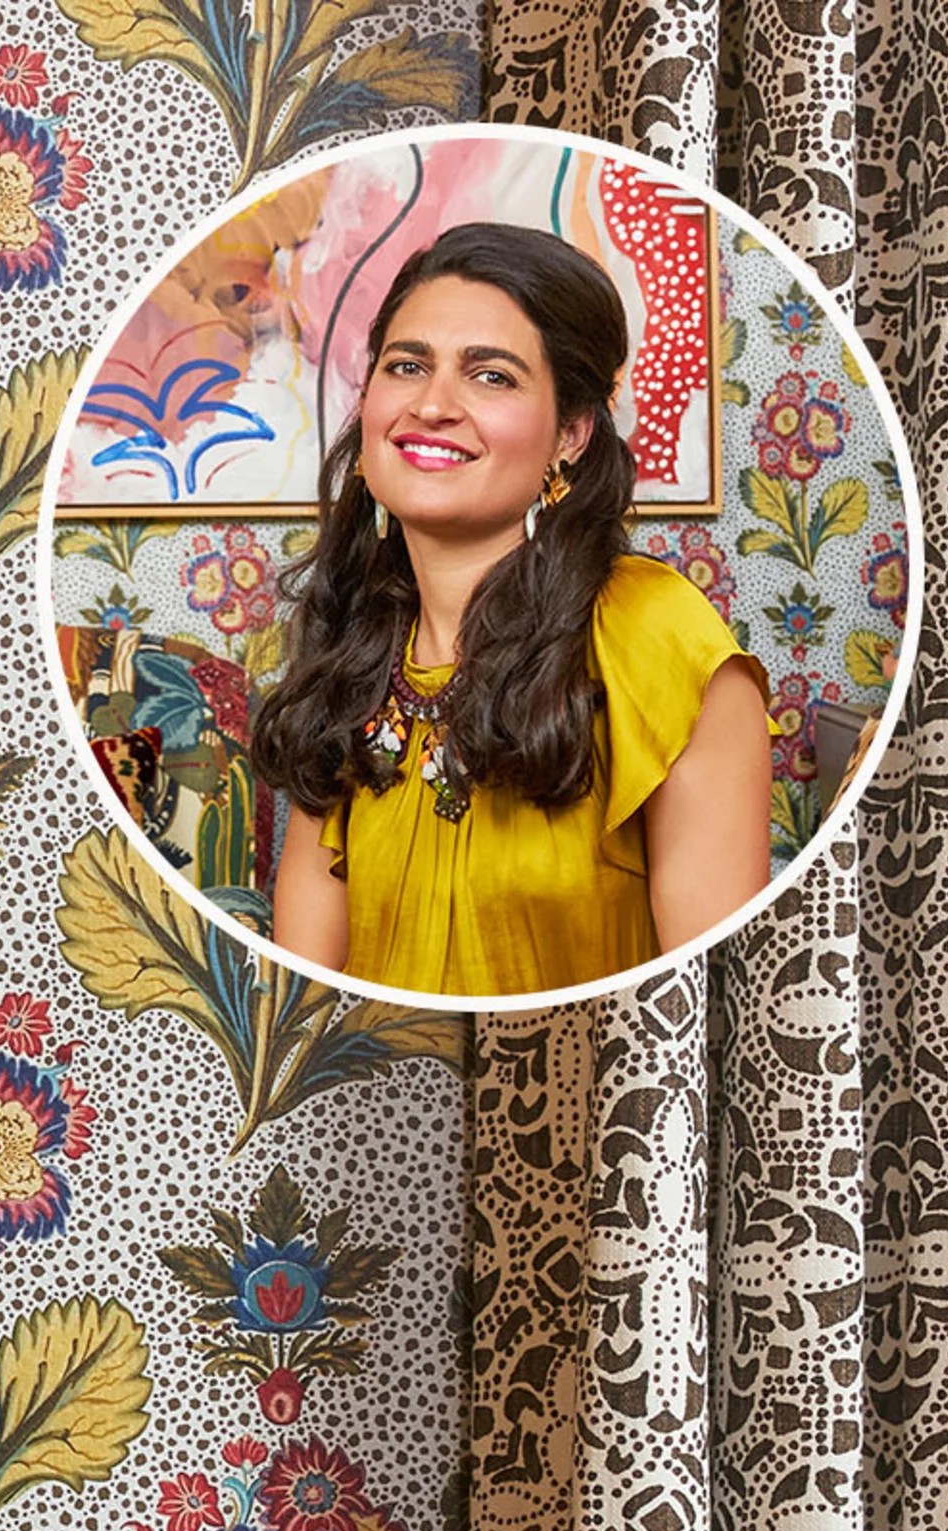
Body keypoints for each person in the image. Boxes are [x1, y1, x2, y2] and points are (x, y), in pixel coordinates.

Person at [254, 221, 768, 999]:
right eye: (406, 365)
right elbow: (305, 1007)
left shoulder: (659, 639)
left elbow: (712, 1004)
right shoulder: (351, 654)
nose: (433, 404)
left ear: (571, 433)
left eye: (491, 377)